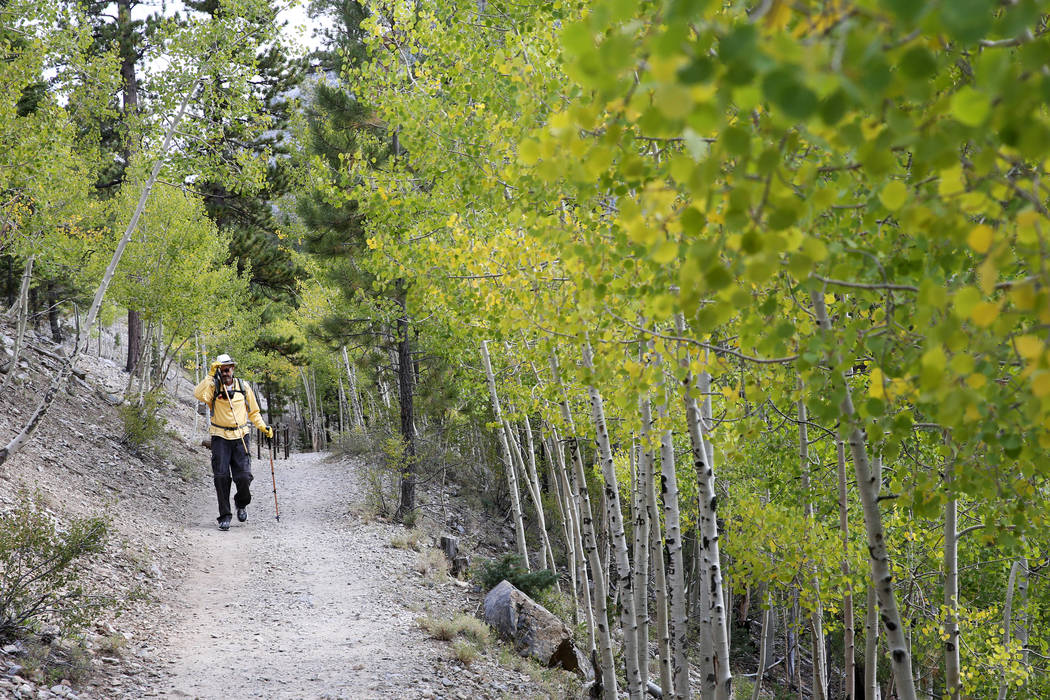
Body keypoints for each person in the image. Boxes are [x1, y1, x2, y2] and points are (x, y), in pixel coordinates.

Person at [193, 353, 274, 531]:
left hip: (241, 437)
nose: (226, 371)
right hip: (220, 437)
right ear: (219, 369)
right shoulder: (213, 387)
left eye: (229, 368)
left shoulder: (243, 387)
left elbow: (253, 412)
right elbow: (197, 394)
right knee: (221, 477)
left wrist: (263, 427)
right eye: (223, 368)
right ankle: (225, 516)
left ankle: (241, 503)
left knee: (244, 476)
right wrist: (210, 375)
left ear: (233, 369)